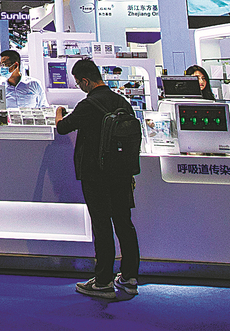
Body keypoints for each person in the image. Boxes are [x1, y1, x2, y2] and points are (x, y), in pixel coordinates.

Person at [55, 58, 139, 299]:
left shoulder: (89, 104)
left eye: (78, 83)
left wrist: (58, 113)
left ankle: (103, 281)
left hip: (96, 173)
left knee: (102, 226)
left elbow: (63, 127)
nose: (79, 87)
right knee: (124, 223)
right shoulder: (121, 101)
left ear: (85, 81)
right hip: (122, 173)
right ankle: (130, 277)